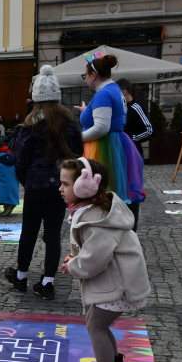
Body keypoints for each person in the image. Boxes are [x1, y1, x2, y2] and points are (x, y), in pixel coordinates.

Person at [59, 157, 150, 362]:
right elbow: (92, 250)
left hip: (119, 285)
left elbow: (95, 258)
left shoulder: (95, 219)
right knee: (97, 323)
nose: (61, 189)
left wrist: (74, 265)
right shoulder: (93, 211)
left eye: (66, 184)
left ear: (84, 187)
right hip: (119, 281)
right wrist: (77, 258)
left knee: (95, 326)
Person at [4, 65, 83, 301]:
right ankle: (48, 281)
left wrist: (26, 180)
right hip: (60, 187)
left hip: (36, 186)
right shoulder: (69, 123)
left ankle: (21, 276)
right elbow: (78, 153)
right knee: (53, 235)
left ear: (37, 99)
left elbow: (19, 160)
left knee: (28, 232)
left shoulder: (29, 127)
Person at [78, 52, 145, 230]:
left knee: (105, 190)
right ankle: (124, 230)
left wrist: (78, 138)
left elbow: (101, 127)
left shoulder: (103, 94)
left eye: (85, 75)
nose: (85, 79)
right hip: (116, 143)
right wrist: (87, 111)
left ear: (94, 75)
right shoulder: (113, 88)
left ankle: (110, 232)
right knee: (120, 189)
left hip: (103, 146)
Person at [115, 78, 154, 158]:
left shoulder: (136, 108)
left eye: (115, 94)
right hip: (120, 153)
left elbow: (150, 130)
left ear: (123, 92)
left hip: (134, 153)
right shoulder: (119, 108)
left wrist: (132, 138)